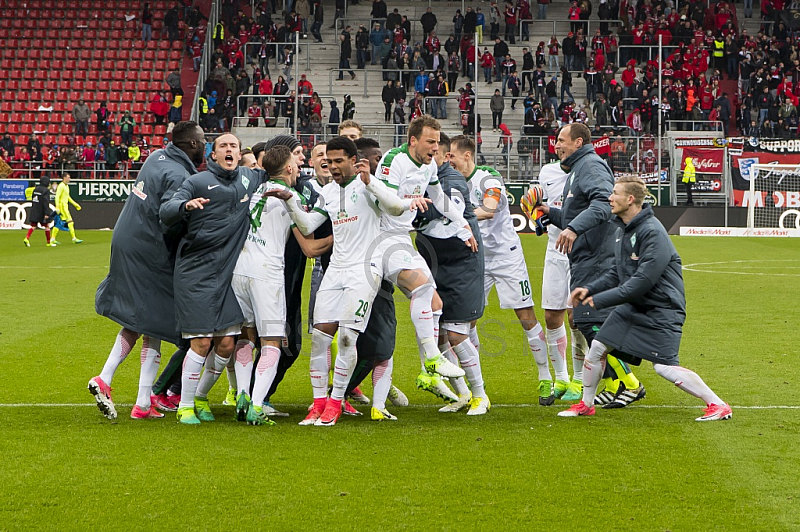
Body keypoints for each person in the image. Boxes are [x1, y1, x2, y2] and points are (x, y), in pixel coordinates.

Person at [276, 136, 429, 426]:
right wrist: (291, 201)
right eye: (328, 161)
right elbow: (308, 225)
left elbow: (397, 208)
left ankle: (336, 402)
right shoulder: (328, 193)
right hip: (335, 269)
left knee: (347, 337)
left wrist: (370, 181)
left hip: (364, 270)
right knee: (320, 338)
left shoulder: (368, 184)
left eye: (337, 161)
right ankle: (319, 402)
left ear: (351, 159)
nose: (332, 166)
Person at [560, 177, 732, 422]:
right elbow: (615, 272)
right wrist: (589, 289)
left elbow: (641, 282)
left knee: (664, 366)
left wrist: (600, 300)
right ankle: (586, 404)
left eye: (615, 193)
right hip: (635, 306)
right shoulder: (624, 228)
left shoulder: (651, 232)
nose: (610, 198)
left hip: (661, 309)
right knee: (598, 346)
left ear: (630, 199)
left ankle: (717, 404)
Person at [91, 122, 206, 421]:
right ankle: (105, 378)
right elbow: (169, 216)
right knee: (148, 318)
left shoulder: (156, 156)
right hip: (148, 247)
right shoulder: (179, 175)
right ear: (193, 144)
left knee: (150, 320)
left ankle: (143, 401)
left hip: (126, 238)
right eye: (203, 140)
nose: (205, 145)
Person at [537, 123, 646, 408]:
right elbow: (581, 209)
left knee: (590, 322)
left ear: (578, 142)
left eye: (561, 140)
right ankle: (613, 384)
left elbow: (602, 206)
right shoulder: (578, 168)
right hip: (586, 255)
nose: (556, 145)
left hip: (597, 256)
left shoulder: (591, 166)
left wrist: (572, 228)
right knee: (588, 322)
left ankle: (629, 383)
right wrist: (550, 213)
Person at [158, 133, 265, 424]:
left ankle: (201, 396)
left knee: (227, 344)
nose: (229, 150)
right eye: (223, 146)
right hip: (196, 272)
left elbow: (275, 172)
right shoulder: (196, 182)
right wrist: (185, 207)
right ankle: (185, 405)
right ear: (213, 154)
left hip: (227, 275)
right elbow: (166, 210)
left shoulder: (247, 177)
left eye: (234, 146)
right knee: (202, 342)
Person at [448, 135, 556, 404]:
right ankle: (476, 387)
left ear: (467, 156)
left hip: (507, 257)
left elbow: (490, 209)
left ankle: (545, 379)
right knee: (467, 318)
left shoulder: (488, 178)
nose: (448, 160)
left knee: (525, 316)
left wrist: (453, 213)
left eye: (451, 155)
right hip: (477, 257)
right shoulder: (452, 182)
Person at [228, 144, 303, 426]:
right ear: (288, 168)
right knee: (271, 341)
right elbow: (306, 230)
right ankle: (257, 406)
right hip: (267, 273)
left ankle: (243, 395)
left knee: (246, 336)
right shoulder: (289, 196)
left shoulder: (254, 190)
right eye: (296, 161)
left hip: (240, 268)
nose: (299, 165)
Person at [415, 132, 488, 414]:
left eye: (433, 154)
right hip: (435, 263)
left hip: (460, 265)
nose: (427, 158)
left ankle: (481, 396)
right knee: (442, 336)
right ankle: (464, 395)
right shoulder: (422, 177)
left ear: (444, 157)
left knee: (457, 335)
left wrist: (415, 213)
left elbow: (447, 211)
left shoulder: (452, 180)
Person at [23, 176, 55, 247]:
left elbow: (33, 199)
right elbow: (45, 202)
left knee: (33, 226)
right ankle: (48, 242)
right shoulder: (46, 191)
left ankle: (27, 238)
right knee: (47, 226)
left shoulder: (35, 189)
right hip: (42, 211)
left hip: (34, 209)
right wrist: (47, 213)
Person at [51, 173, 82, 245]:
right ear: (64, 178)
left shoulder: (66, 186)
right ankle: (74, 238)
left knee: (58, 224)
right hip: (62, 207)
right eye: (68, 177)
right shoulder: (61, 186)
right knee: (70, 222)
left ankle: (52, 239)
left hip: (65, 206)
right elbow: (57, 196)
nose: (69, 179)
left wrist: (75, 204)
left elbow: (68, 197)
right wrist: (57, 206)